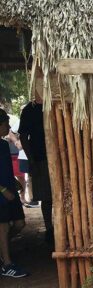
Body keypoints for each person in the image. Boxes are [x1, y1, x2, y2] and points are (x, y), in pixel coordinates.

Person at [18, 97, 53, 244]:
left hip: (60, 155)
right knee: (46, 197)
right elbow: (23, 137)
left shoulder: (57, 103)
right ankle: (49, 229)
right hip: (40, 158)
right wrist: (31, 160)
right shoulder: (29, 110)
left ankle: (58, 228)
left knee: (62, 196)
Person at [0, 109, 28, 278]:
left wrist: (14, 181)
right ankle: (7, 264)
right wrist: (3, 190)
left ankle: (3, 251)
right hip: (2, 192)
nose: (9, 127)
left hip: (10, 189)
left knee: (19, 223)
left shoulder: (3, 145)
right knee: (2, 227)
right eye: (5, 124)